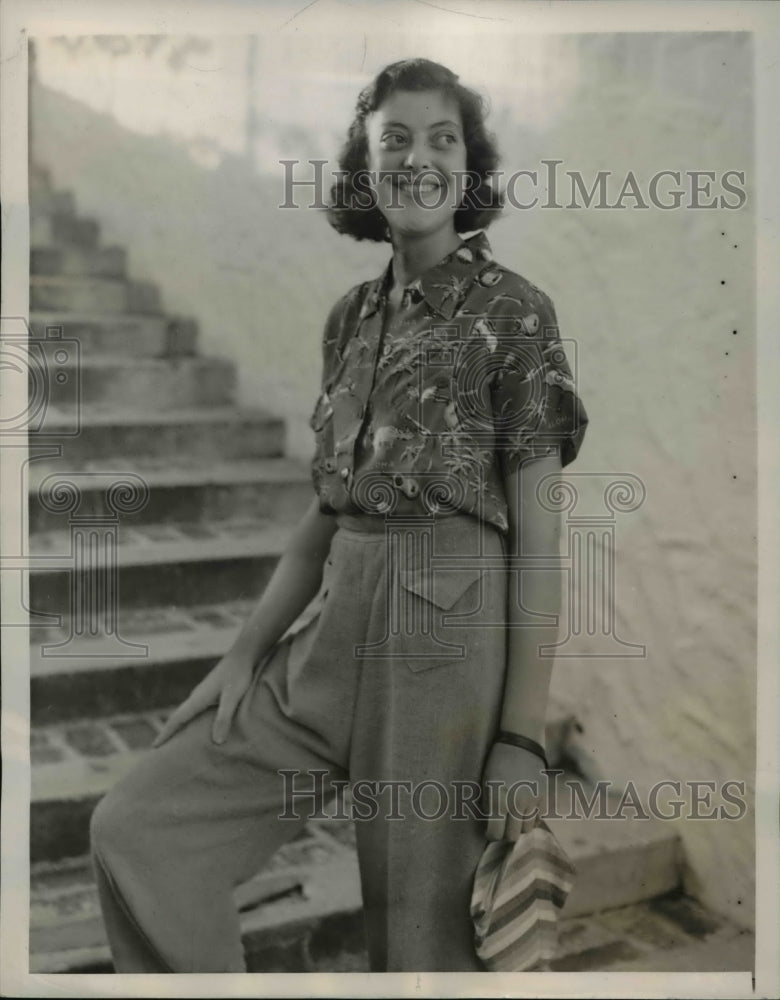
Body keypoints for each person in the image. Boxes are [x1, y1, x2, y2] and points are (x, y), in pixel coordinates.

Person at [90, 57, 588, 973]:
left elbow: (545, 544)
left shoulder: (516, 313)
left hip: (448, 635)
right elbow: (327, 513)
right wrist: (243, 654)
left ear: (469, 166)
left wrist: (521, 735)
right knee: (141, 830)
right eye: (394, 137)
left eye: (443, 138)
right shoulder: (350, 317)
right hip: (334, 631)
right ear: (365, 162)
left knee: (420, 942)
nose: (417, 158)